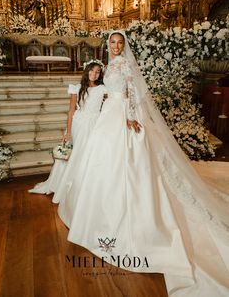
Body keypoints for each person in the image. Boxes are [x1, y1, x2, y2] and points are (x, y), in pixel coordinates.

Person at [58, 30, 229, 297]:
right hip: (107, 115)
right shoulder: (110, 64)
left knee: (125, 165)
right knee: (99, 161)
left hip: (121, 114)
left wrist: (129, 117)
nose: (115, 46)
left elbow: (133, 93)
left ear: (124, 46)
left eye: (119, 43)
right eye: (112, 42)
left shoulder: (125, 64)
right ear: (108, 45)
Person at [29, 60, 106, 203]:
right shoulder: (76, 88)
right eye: (92, 70)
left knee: (90, 154)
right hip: (79, 123)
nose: (94, 74)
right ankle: (67, 183)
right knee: (75, 153)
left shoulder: (102, 89)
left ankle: (85, 185)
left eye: (97, 72)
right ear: (86, 70)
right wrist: (68, 132)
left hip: (95, 123)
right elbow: (71, 111)